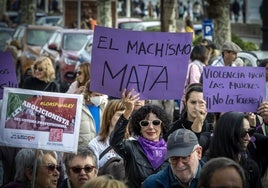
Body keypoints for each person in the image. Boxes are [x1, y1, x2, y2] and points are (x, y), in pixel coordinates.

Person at [110, 89, 171, 188]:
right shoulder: (131, 148)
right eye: (145, 123)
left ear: (162, 125)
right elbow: (115, 141)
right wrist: (128, 111)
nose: (151, 127)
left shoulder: (171, 151)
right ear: (139, 128)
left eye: (156, 123)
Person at [206, 112, 262, 187]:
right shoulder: (207, 167)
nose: (248, 138)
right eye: (242, 132)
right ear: (228, 133)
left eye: (250, 131)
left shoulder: (251, 168)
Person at [165, 83, 210, 154]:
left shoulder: (211, 128)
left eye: (201, 103)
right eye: (193, 102)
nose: (196, 107)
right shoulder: (174, 128)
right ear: (185, 102)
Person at [88, 99, 125, 180]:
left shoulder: (132, 142)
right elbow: (93, 174)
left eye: (126, 115)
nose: (124, 118)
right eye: (120, 115)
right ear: (109, 117)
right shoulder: (95, 144)